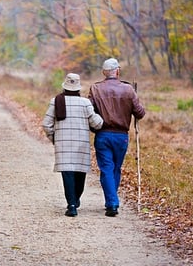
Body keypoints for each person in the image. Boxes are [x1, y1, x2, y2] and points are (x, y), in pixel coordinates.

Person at [88, 58, 146, 217]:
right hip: (121, 137)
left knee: (106, 169)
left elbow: (88, 111)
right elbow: (140, 113)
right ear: (118, 71)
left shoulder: (95, 89)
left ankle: (111, 202)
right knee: (115, 168)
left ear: (103, 72)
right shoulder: (128, 90)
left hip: (103, 134)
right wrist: (134, 99)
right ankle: (112, 202)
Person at [42, 73, 103, 217]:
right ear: (78, 88)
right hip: (81, 144)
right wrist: (101, 116)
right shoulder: (85, 103)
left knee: (67, 174)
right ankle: (75, 200)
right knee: (80, 174)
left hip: (63, 145)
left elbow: (46, 124)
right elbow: (97, 123)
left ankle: (72, 204)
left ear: (64, 86)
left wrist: (54, 138)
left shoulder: (55, 101)